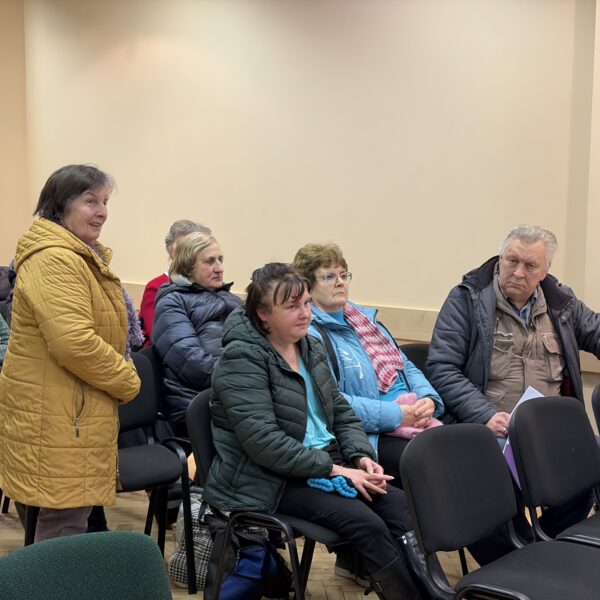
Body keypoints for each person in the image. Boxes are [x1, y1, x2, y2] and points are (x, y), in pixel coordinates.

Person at [203, 263, 424, 600]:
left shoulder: (310, 346)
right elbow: (265, 444)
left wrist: (360, 456)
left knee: (402, 509)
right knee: (366, 525)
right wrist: (340, 471)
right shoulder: (241, 358)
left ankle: (431, 592)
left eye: (306, 302)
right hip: (268, 479)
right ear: (263, 314)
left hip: (322, 462)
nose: (305, 313)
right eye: (292, 306)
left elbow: (341, 412)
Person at [427, 224, 596, 563]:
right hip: (488, 431)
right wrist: (485, 414)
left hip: (546, 434)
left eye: (530, 265)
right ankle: (513, 565)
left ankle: (542, 555)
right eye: (511, 260)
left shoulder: (561, 304)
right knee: (490, 491)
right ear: (500, 258)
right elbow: (442, 369)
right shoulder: (468, 299)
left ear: (545, 271)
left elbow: (596, 331)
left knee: (590, 465)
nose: (518, 272)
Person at [0, 164, 141, 542]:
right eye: (91, 201)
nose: (102, 212)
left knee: (69, 523)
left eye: (105, 202)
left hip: (70, 409)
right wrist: (127, 380)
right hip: (61, 414)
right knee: (61, 528)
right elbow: (74, 342)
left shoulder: (77, 255)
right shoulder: (55, 258)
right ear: (60, 205)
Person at [293, 242, 444, 485]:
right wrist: (397, 415)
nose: (340, 282)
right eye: (329, 277)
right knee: (435, 463)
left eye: (343, 275)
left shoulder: (364, 320)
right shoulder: (311, 335)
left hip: (413, 416)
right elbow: (332, 402)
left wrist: (428, 399)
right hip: (371, 433)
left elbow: (406, 367)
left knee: (464, 450)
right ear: (308, 287)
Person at [152, 231, 242, 437]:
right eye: (210, 261)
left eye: (220, 259)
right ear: (188, 266)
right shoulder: (172, 302)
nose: (219, 268)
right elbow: (193, 364)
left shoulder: (230, 298)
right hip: (197, 401)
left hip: (234, 392)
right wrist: (245, 376)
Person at [139, 219, 211, 345]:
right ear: (170, 250)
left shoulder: (208, 285)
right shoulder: (156, 287)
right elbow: (160, 336)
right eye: (183, 246)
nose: (188, 252)